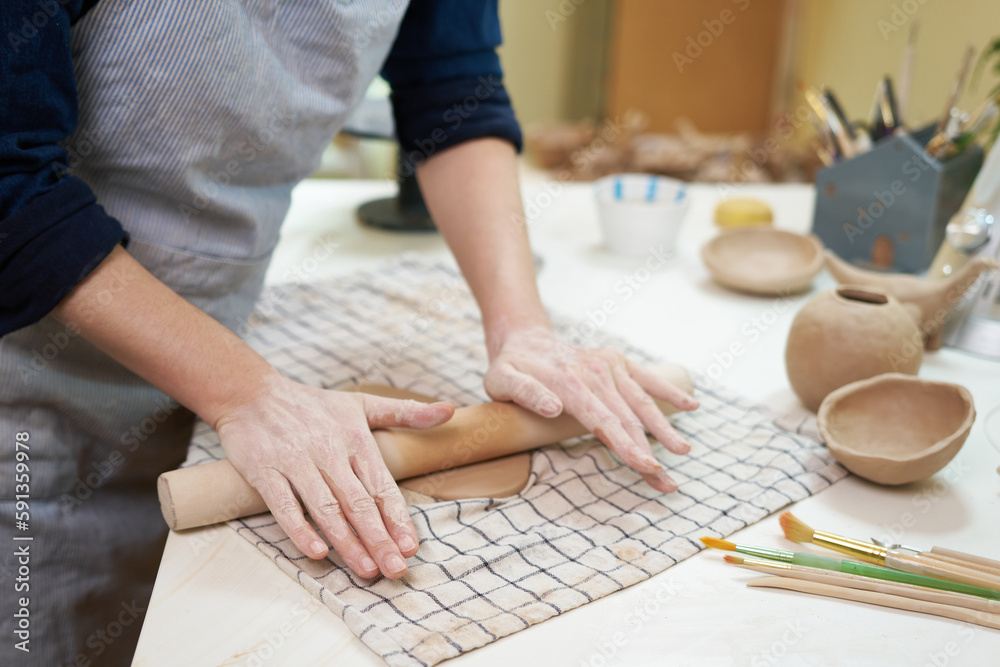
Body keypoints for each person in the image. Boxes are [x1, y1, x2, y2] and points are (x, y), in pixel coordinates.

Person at [0, 1, 697, 664]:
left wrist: (522, 326)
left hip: (219, 328)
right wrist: (244, 392)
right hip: (39, 377)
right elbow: (10, 185)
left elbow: (454, 86)